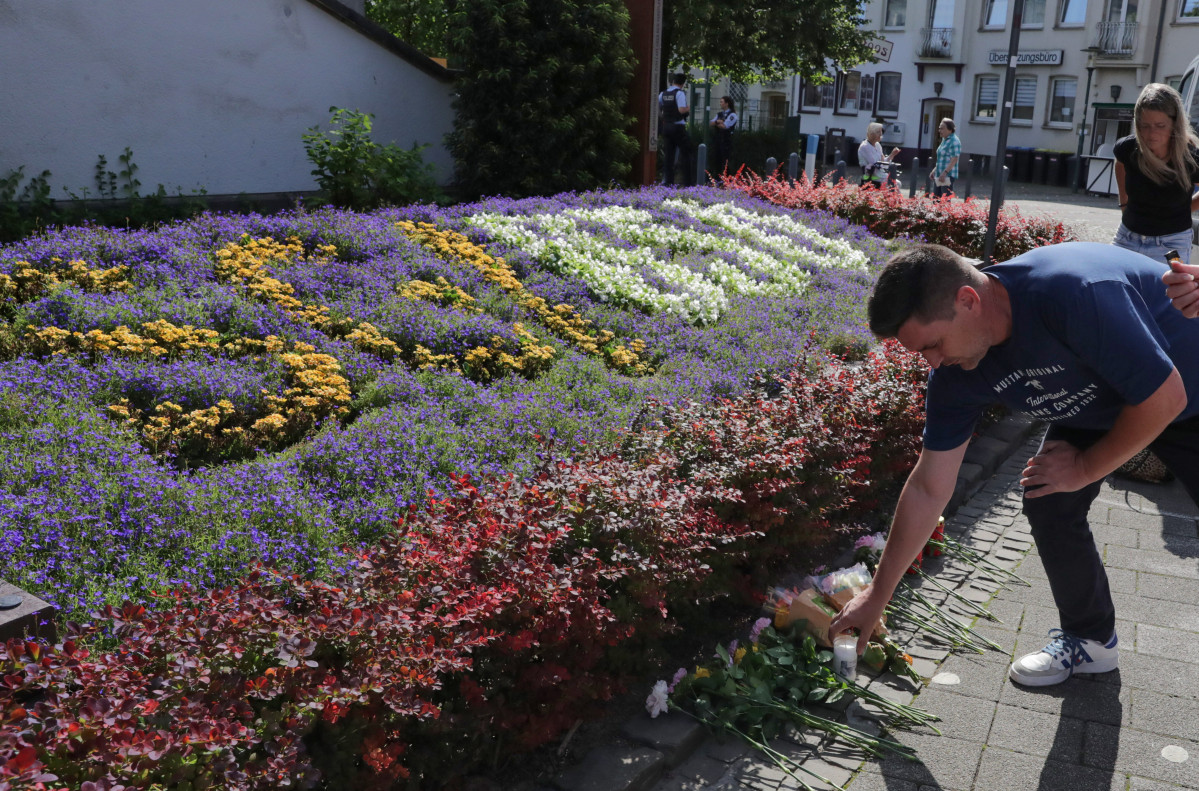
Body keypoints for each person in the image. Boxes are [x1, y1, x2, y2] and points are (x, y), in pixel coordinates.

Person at [828, 241, 1199, 688]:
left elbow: (1164, 399)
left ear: (968, 300)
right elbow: (929, 487)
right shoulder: (954, 375)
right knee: (1049, 496)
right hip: (1099, 400)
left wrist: (1083, 468)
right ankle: (1091, 642)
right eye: (921, 353)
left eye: (934, 344)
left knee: (1069, 476)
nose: (934, 362)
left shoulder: (1071, 292)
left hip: (1183, 387)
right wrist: (876, 595)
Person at [1113, 83, 1199, 267]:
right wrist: (1123, 202)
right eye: (1144, 126)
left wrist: (1186, 208)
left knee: (1166, 294)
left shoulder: (1191, 159)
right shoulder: (1128, 149)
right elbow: (1120, 163)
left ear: (1175, 125)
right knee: (1111, 290)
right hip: (1127, 237)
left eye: (1160, 126)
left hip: (1171, 245)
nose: (1151, 134)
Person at [659, 73, 694, 187]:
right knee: (686, 153)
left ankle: (668, 182)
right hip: (678, 127)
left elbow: (658, 108)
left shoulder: (663, 94)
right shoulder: (679, 93)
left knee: (668, 155)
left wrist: (664, 117)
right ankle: (687, 183)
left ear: (673, 81)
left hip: (666, 127)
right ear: (683, 84)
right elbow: (681, 110)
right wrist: (688, 108)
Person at [858, 122, 901, 189]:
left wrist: (892, 154)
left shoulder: (877, 145)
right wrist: (882, 162)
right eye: (878, 132)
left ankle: (891, 198)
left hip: (881, 174)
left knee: (897, 183)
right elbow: (875, 163)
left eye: (881, 132)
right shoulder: (865, 146)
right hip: (871, 175)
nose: (881, 134)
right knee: (894, 184)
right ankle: (892, 199)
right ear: (872, 134)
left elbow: (883, 162)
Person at [709, 95, 738, 180]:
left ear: (727, 103)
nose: (720, 103)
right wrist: (718, 121)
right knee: (717, 159)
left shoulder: (732, 115)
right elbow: (711, 123)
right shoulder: (719, 114)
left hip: (726, 140)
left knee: (725, 161)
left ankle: (727, 180)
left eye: (722, 102)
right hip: (718, 139)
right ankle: (717, 179)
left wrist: (718, 123)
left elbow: (725, 126)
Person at [930, 118, 960, 199]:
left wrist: (945, 172)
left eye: (942, 128)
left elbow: (954, 159)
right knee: (936, 199)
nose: (940, 130)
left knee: (945, 200)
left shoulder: (954, 141)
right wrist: (934, 170)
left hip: (947, 175)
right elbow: (941, 158)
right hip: (939, 174)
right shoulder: (945, 140)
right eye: (939, 128)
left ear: (950, 129)